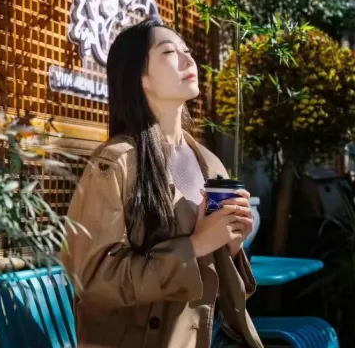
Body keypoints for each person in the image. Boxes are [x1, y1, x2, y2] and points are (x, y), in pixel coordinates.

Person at [61, 18, 263, 348]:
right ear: (140, 79)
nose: (188, 60)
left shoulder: (210, 163)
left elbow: (222, 295)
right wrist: (196, 245)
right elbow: (94, 280)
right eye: (169, 52)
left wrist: (231, 245)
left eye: (187, 51)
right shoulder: (116, 163)